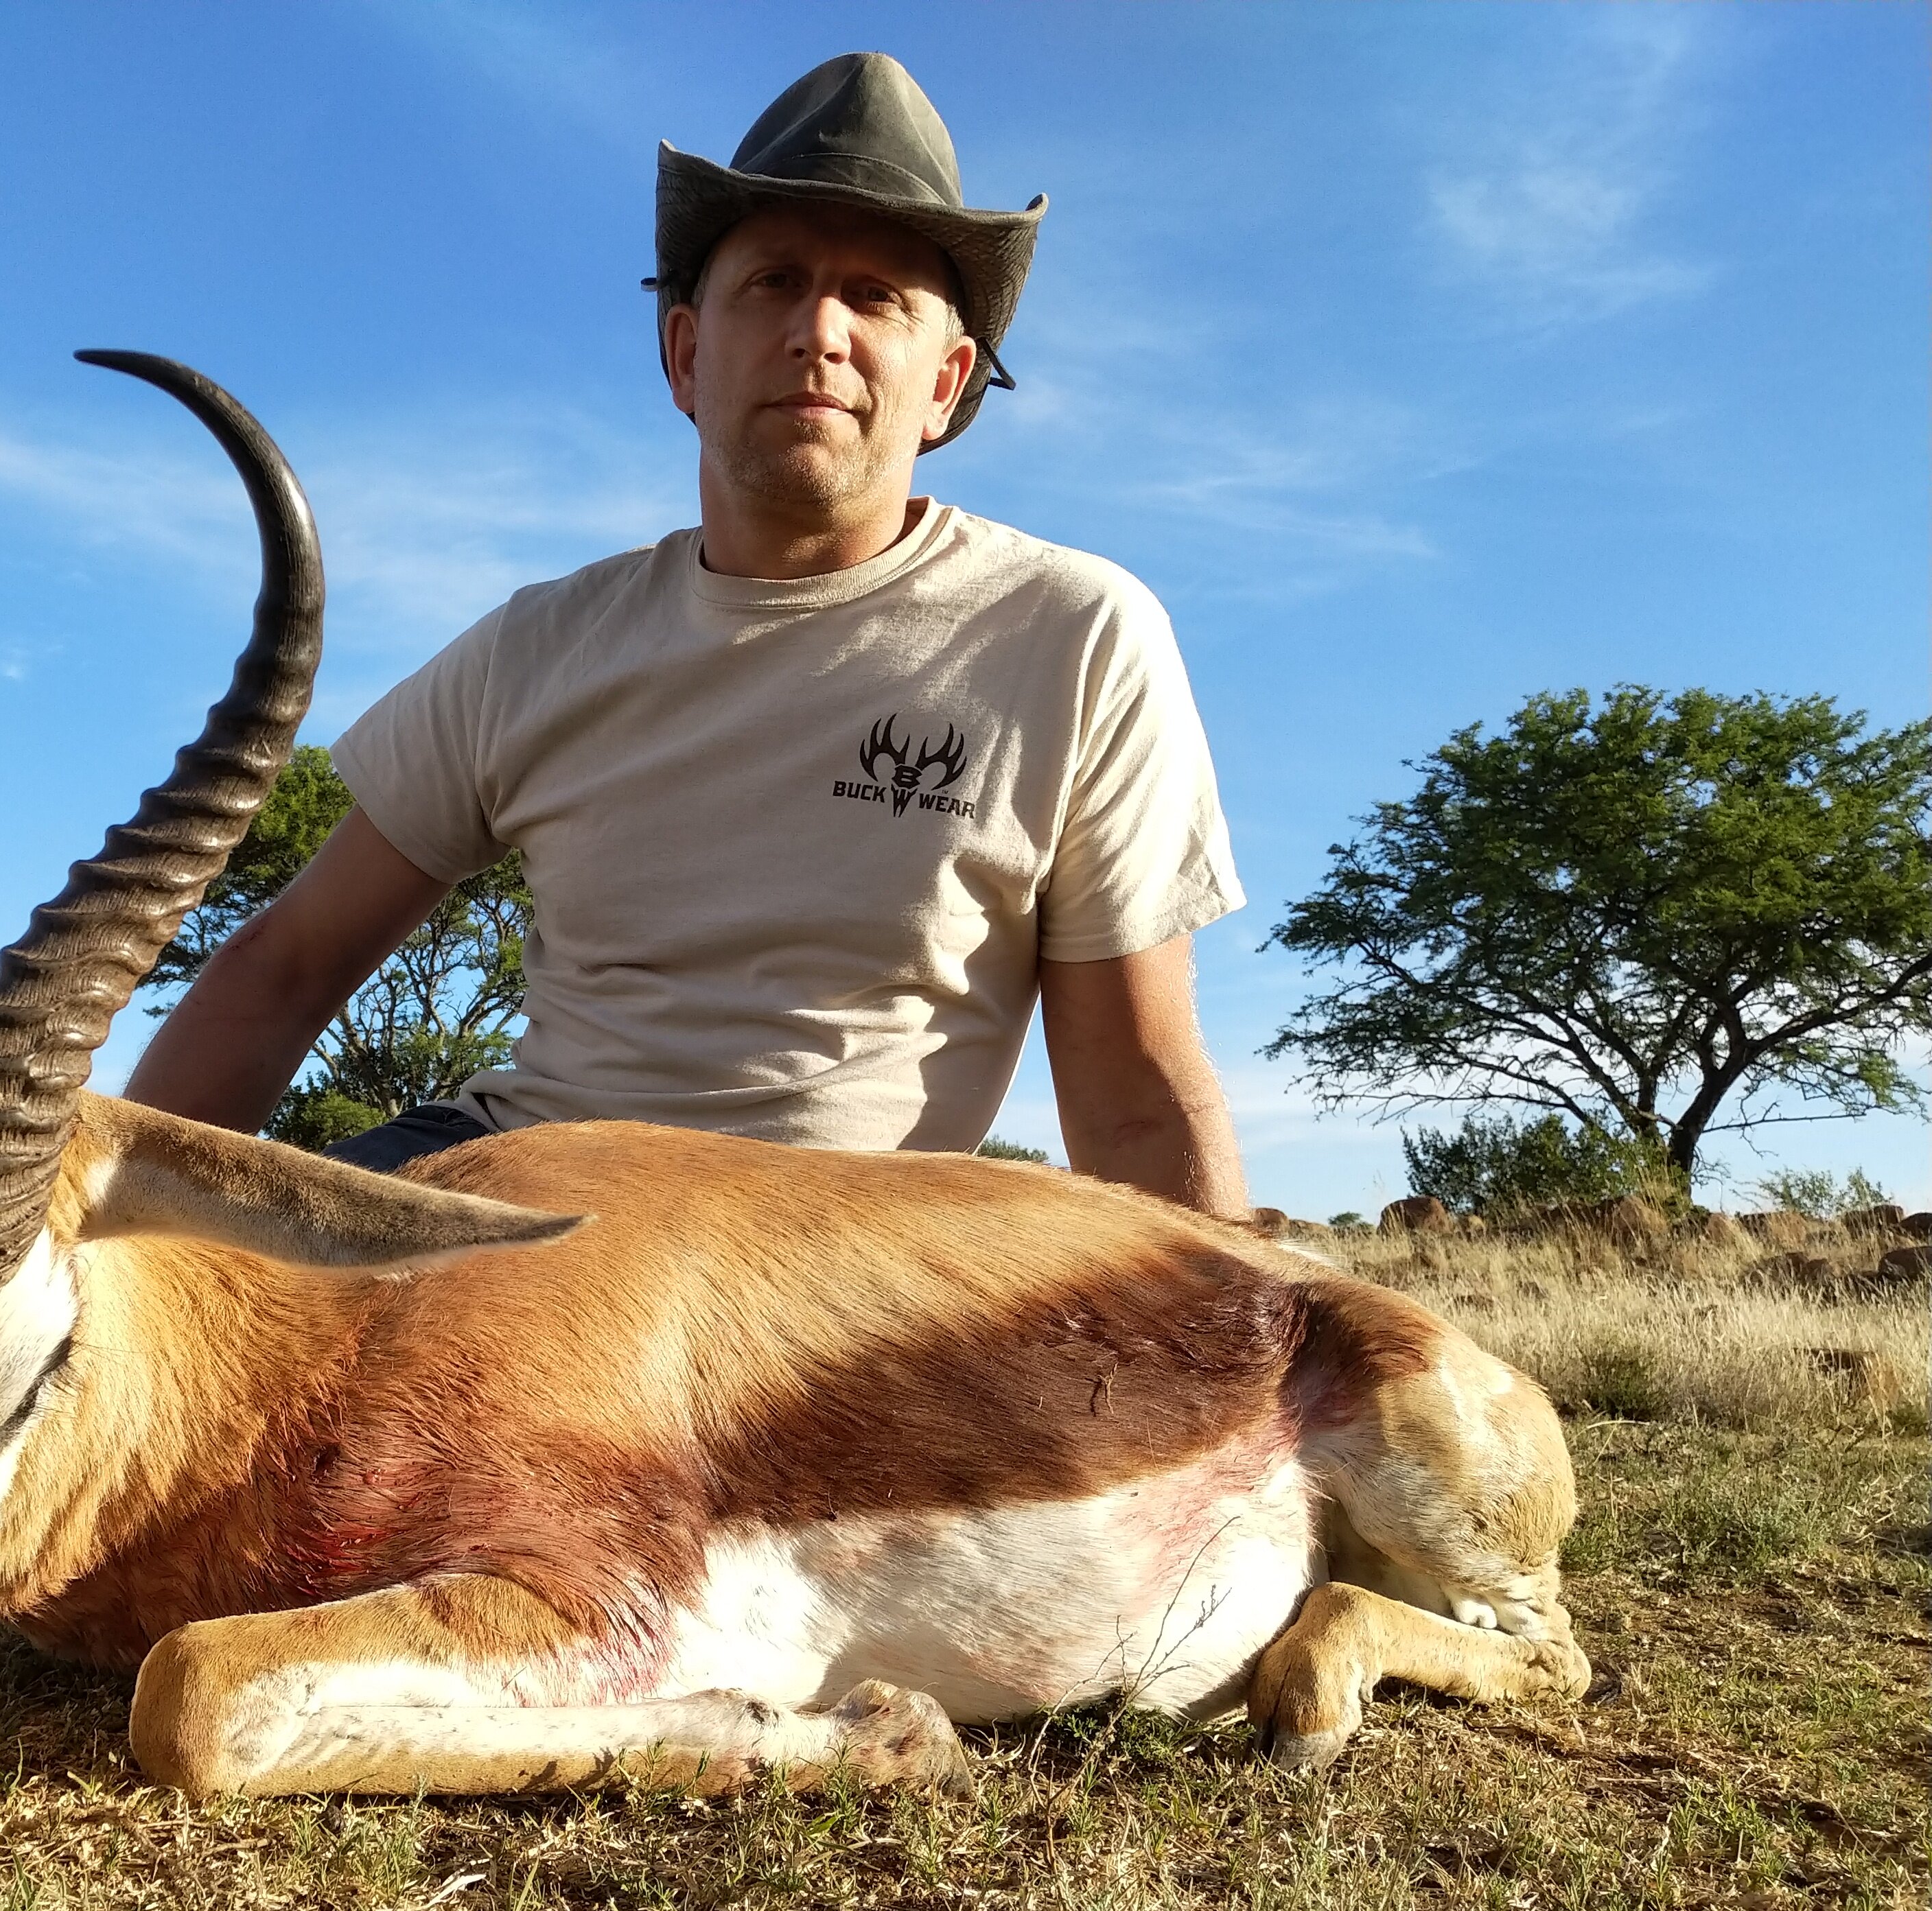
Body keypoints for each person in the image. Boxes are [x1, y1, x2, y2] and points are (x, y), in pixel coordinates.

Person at [129, 51, 1251, 1217]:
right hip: (502, 1196)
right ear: (684, 355)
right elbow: (283, 966)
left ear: (947, 384)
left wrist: (1250, 1339)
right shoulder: (537, 645)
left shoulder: (1076, 632)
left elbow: (1133, 1091)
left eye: (877, 297)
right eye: (772, 281)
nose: (820, 329)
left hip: (830, 1263)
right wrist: (98, 1230)